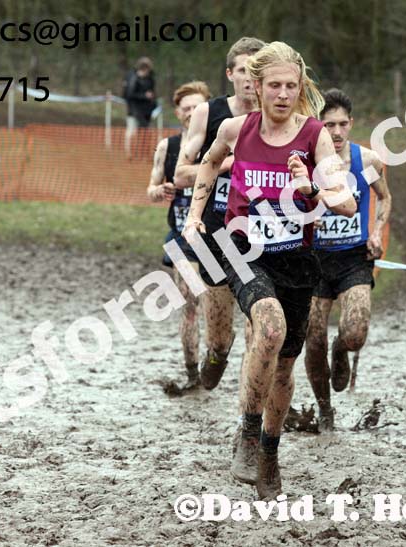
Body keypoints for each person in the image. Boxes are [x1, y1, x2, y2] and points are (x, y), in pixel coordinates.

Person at [183, 42, 357, 500]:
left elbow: (348, 201)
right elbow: (209, 161)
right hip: (244, 250)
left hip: (298, 260)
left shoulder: (316, 135)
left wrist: (313, 187)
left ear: (300, 89)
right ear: (255, 86)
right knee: (270, 326)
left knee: (283, 368)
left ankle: (269, 448)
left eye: (291, 86)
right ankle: (245, 431)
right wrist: (195, 213)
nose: (282, 94)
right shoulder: (237, 128)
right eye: (274, 85)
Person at [173, 36, 266, 392]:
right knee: (221, 340)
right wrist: (224, 166)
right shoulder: (208, 114)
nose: (249, 78)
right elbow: (181, 174)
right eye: (243, 70)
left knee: (259, 328)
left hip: (261, 234)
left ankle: (250, 409)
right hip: (216, 235)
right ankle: (215, 357)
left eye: (256, 71)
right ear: (230, 73)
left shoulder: (278, 116)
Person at [305, 89, 392, 429]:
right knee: (312, 338)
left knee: (356, 332)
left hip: (353, 258)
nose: (337, 133)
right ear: (318, 126)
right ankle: (325, 411)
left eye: (342, 124)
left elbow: (384, 199)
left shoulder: (367, 161)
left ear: (351, 124)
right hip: (313, 261)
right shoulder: (305, 164)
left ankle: (341, 349)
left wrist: (376, 233)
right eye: (329, 126)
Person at [146, 81, 211, 390]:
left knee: (213, 305)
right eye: (186, 109)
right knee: (190, 301)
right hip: (182, 239)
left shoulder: (221, 144)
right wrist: (160, 190)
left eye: (197, 107)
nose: (191, 113)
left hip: (218, 238)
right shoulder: (167, 147)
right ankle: (192, 372)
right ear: (177, 113)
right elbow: (151, 189)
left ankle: (215, 359)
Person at [122, 57, 157, 158]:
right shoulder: (132, 78)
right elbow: (128, 94)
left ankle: (143, 153)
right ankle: (129, 153)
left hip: (146, 110)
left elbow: (153, 93)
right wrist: (144, 95)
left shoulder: (150, 79)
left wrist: (152, 102)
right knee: (131, 131)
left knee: (145, 132)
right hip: (133, 110)